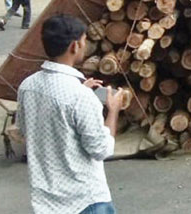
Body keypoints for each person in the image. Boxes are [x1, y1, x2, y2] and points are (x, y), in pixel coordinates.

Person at [17, 14, 124, 214]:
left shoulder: (27, 86)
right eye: (84, 42)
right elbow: (101, 150)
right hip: (86, 202)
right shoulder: (80, 96)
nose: (84, 46)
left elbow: (25, 130)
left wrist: (80, 90)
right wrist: (113, 111)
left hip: (46, 203)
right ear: (74, 46)